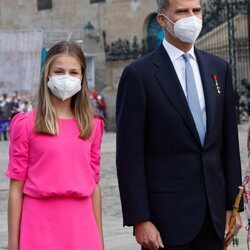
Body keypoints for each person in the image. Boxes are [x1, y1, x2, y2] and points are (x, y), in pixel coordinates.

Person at [116, 0, 243, 249]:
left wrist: (233, 205)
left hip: (214, 215)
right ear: (162, 20)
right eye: (182, 12)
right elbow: (129, 155)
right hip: (166, 221)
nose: (192, 17)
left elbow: (228, 143)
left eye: (196, 11)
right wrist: (140, 219)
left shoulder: (219, 68)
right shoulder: (139, 75)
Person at [6, 41, 104, 250]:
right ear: (47, 74)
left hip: (83, 226)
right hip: (38, 226)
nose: (66, 77)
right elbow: (16, 189)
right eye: (59, 71)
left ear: (82, 77)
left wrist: (100, 241)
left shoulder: (93, 125)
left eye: (73, 72)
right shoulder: (26, 124)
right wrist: (13, 244)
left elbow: (94, 186)